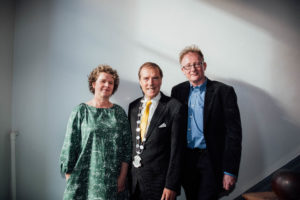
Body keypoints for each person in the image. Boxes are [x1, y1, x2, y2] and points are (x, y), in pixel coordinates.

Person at [171, 45, 242, 200]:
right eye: (188, 66)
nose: (193, 69)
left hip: (211, 159)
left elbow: (234, 134)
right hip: (187, 160)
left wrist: (230, 171)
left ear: (204, 65)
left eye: (197, 64)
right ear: (183, 70)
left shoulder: (223, 92)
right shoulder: (177, 92)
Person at [60, 65, 132, 200]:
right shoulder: (80, 111)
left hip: (113, 179)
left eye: (111, 82)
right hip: (83, 178)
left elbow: (127, 147)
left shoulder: (119, 113)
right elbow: (70, 146)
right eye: (103, 81)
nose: (107, 85)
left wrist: (122, 177)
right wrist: (70, 178)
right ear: (93, 84)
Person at [128, 62, 185, 200]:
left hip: (160, 186)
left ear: (161, 79)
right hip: (134, 183)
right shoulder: (133, 107)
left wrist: (171, 185)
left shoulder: (174, 107)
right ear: (140, 81)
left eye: (155, 78)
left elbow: (178, 151)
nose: (151, 83)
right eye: (146, 78)